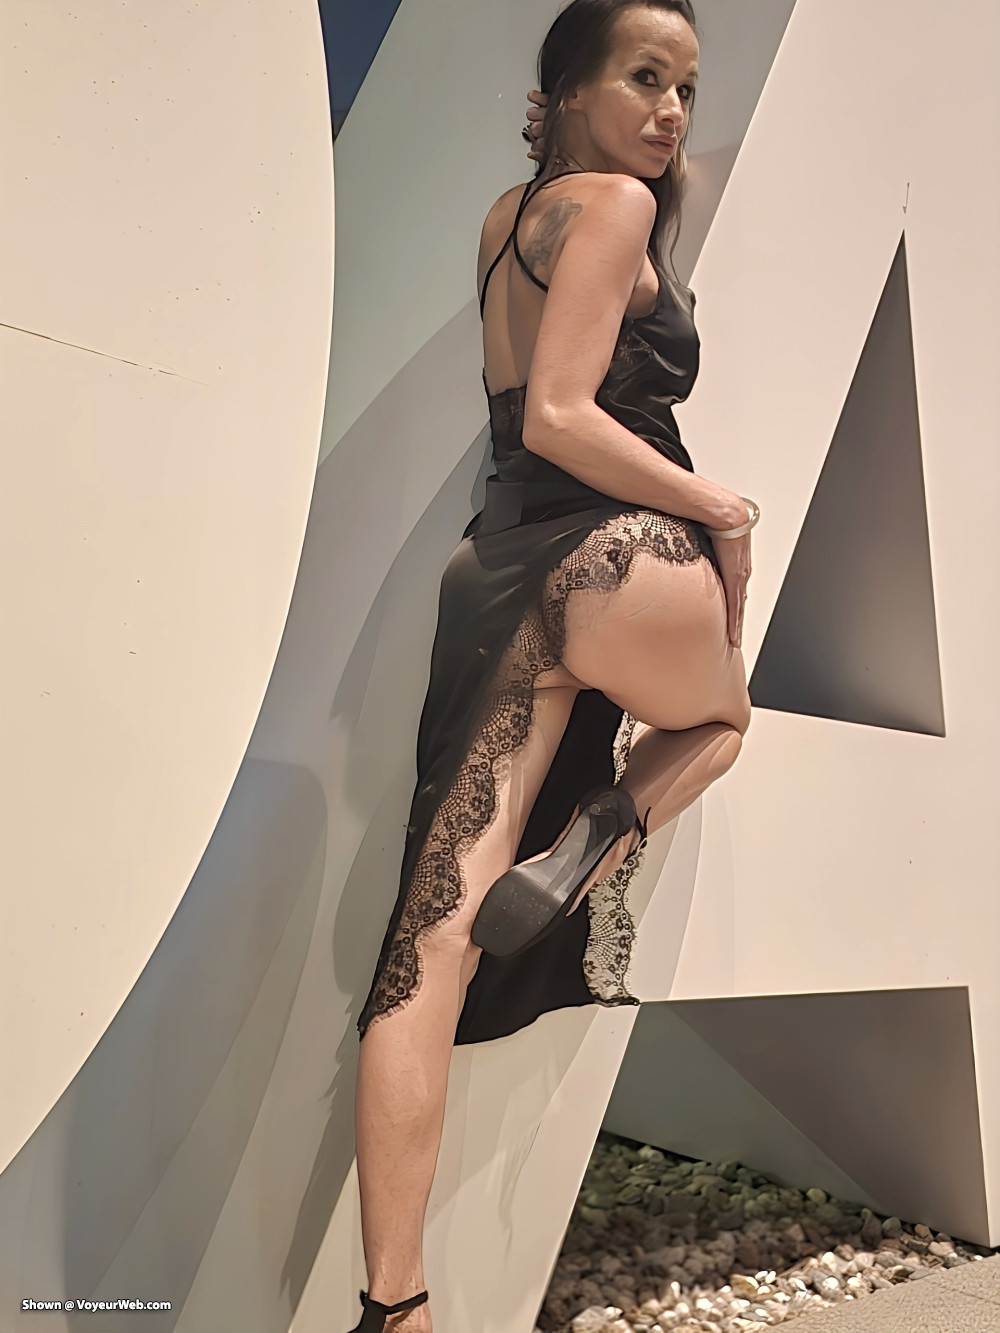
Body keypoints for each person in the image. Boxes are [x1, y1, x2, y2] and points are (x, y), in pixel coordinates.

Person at [347, 2, 758, 1327]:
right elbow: (563, 414)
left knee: (426, 948)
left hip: (498, 572)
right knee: (723, 723)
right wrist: (718, 508)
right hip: (612, 558)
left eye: (686, 89)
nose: (671, 112)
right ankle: (605, 825)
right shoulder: (619, 209)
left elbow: (518, 414)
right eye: (645, 78)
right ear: (567, 85)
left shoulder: (504, 218)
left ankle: (393, 1303)